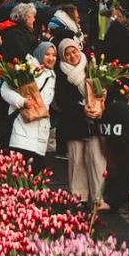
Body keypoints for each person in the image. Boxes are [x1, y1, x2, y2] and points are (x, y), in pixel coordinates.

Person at [56, 39, 105, 206]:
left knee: (97, 160)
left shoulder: (91, 66)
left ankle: (98, 197)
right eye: (67, 54)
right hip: (74, 122)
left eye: (74, 51)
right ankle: (79, 196)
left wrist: (100, 101)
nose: (72, 56)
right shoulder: (61, 73)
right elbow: (62, 101)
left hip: (95, 121)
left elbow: (103, 89)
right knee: (77, 160)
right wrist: (80, 109)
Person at [0, 41, 56, 173]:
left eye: (54, 55)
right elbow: (5, 89)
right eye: (47, 54)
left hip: (41, 132)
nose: (51, 58)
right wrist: (21, 101)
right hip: (22, 129)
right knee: (19, 172)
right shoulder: (26, 70)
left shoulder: (53, 76)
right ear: (40, 54)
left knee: (36, 174)